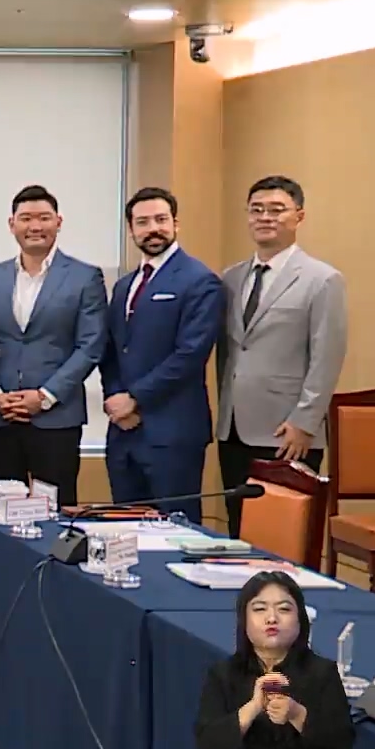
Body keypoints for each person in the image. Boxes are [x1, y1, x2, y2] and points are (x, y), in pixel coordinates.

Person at [216, 176, 349, 538]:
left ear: (299, 216)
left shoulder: (322, 279)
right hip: (233, 427)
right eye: (256, 210)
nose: (265, 217)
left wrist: (305, 421)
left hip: (287, 431)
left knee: (284, 537)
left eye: (276, 210)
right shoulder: (231, 278)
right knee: (238, 530)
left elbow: (327, 356)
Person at [0, 186, 108, 506]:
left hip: (57, 418)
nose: (35, 226)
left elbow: (90, 345)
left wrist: (45, 396)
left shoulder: (85, 277)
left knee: (57, 511)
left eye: (44, 218)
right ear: (12, 224)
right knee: (4, 513)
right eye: (26, 218)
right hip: (2, 417)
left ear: (58, 222)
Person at [101, 188, 224, 524]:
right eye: (142, 222)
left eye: (161, 220)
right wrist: (115, 398)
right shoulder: (124, 286)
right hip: (123, 432)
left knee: (176, 531)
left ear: (175, 224)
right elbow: (111, 350)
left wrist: (135, 399)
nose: (153, 228)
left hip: (173, 433)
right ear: (131, 230)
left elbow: (190, 354)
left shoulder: (200, 281)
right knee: (126, 531)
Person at [195, 571, 354, 749]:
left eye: (284, 609)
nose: (272, 618)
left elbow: (341, 745)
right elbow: (208, 747)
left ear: (301, 620)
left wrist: (297, 715)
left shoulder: (322, 672)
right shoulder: (223, 674)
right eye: (259, 609)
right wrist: (252, 708)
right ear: (243, 621)